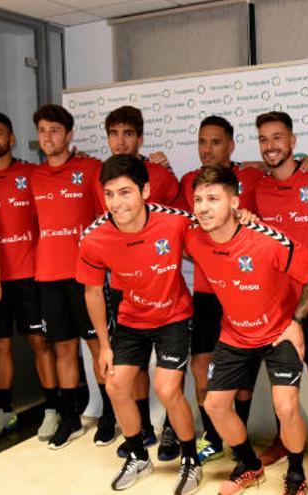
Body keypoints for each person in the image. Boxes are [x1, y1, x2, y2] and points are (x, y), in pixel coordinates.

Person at [185, 165, 308, 495]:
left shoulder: (266, 239)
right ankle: (250, 465)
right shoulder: (193, 236)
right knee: (214, 405)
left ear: (235, 202)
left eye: (213, 199)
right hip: (235, 334)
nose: (204, 207)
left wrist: (296, 322)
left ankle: (295, 474)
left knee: (287, 407)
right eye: (198, 199)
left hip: (279, 332)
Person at [77, 155, 201, 493]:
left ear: (145, 190)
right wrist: (103, 345)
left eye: (125, 192)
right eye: (110, 194)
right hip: (131, 319)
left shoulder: (175, 221)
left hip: (173, 316)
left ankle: (191, 460)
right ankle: (137, 455)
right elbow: (92, 293)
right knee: (116, 384)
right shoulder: (94, 237)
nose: (117, 203)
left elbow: (215, 236)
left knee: (166, 388)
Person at [253, 111, 308, 484]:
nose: (271, 146)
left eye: (277, 138)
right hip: (276, 304)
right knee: (281, 380)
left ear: (292, 141)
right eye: (263, 139)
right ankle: (283, 440)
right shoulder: (258, 188)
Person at [174, 115, 264, 464]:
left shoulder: (253, 177)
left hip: (242, 290)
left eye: (214, 142)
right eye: (202, 142)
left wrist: (303, 158)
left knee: (241, 372)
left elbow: (287, 163)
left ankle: (236, 437)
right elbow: (180, 232)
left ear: (231, 145)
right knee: (201, 365)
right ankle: (211, 435)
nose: (207, 149)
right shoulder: (187, 182)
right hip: (206, 292)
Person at [29, 104, 114, 449]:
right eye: (42, 131)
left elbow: (107, 219)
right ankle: (70, 419)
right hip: (47, 275)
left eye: (54, 130)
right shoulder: (33, 176)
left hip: (85, 277)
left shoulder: (91, 169)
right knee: (63, 348)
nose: (48, 137)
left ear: (69, 135)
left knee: (97, 347)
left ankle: (109, 414)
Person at [0, 112, 59, 441]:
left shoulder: (32, 174)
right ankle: (4, 411)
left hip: (30, 276)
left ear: (12, 139)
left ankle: (52, 409)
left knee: (40, 342)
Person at [105, 105, 182, 459]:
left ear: (140, 137)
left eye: (128, 134)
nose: (121, 141)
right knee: (129, 368)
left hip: (164, 290)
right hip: (125, 288)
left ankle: (170, 430)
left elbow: (180, 219)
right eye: (114, 134)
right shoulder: (101, 176)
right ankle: (143, 431)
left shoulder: (161, 176)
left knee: (169, 376)